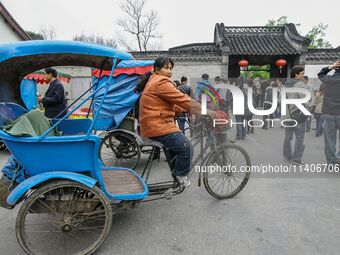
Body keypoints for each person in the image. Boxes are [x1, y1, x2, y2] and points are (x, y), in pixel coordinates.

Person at [137, 56, 216, 186]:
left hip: (153, 125)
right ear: (157, 69)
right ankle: (180, 174)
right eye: (166, 68)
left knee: (178, 147)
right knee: (187, 148)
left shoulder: (154, 80)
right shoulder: (161, 82)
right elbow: (183, 100)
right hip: (158, 126)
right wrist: (205, 111)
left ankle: (176, 174)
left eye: (171, 68)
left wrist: (184, 110)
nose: (169, 71)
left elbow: (173, 104)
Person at [283, 66, 307, 165]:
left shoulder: (286, 84)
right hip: (298, 114)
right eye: (301, 73)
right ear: (296, 74)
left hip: (287, 115)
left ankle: (287, 156)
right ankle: (296, 159)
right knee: (299, 137)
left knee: (288, 137)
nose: (303, 75)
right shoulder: (300, 85)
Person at [317, 60, 340, 166]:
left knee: (330, 139)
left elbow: (320, 74)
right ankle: (339, 157)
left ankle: (331, 162)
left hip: (329, 113)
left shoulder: (328, 79)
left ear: (335, 69)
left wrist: (331, 66)